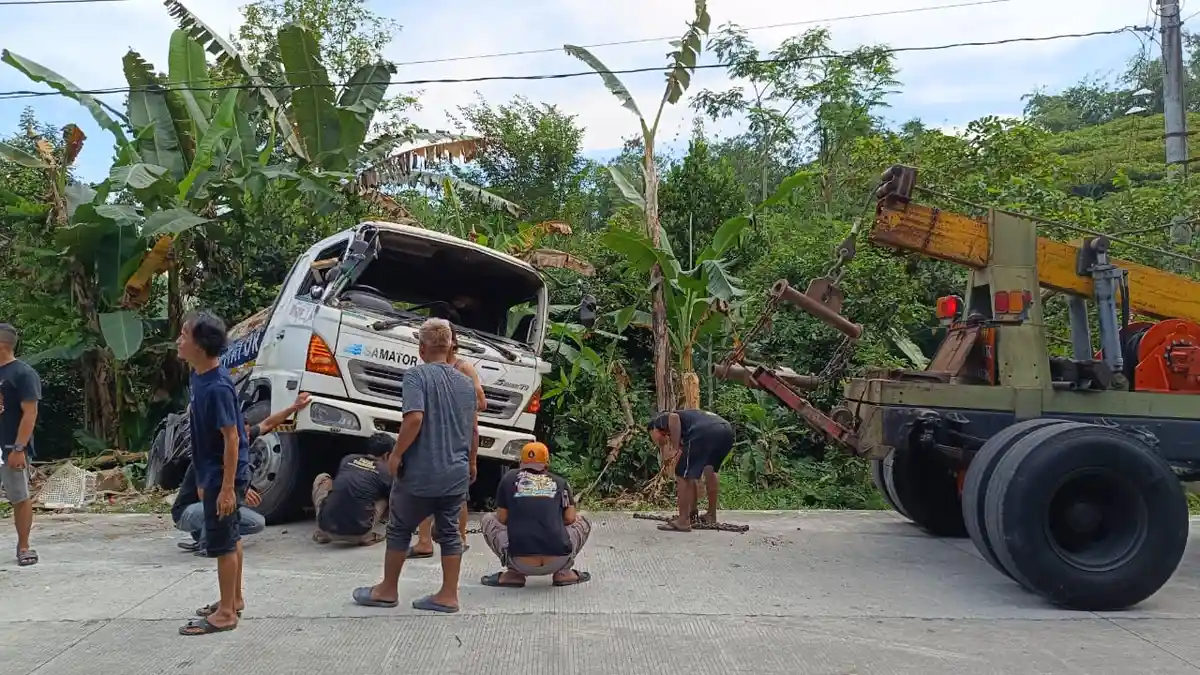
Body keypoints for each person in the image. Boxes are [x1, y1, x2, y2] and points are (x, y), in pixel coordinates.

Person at [352, 318, 479, 614]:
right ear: (450, 347)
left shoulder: (416, 376)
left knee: (399, 529)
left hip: (421, 473)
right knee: (450, 533)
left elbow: (414, 418)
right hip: (455, 472)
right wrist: (472, 461)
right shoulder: (466, 383)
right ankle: (448, 595)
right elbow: (473, 429)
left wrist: (396, 454)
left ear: (421, 348)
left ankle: (387, 590)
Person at [175, 311, 251, 636]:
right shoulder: (198, 376)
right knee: (230, 536)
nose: (178, 341)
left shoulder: (217, 387)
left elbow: (232, 438)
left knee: (222, 543)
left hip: (225, 473)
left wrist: (226, 488)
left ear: (200, 345)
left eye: (184, 335)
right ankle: (234, 599)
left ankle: (226, 614)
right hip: (213, 472)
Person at [172, 393, 312, 556]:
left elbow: (268, 423)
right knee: (222, 505)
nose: (245, 437)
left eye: (247, 433)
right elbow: (204, 494)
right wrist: (237, 491)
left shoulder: (244, 438)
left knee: (257, 523)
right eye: (240, 435)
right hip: (186, 512)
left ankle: (207, 536)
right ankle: (209, 543)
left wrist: (294, 407)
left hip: (206, 507)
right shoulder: (211, 452)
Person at [410, 325, 485, 558]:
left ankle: (460, 538)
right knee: (424, 488)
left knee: (457, 493)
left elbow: (481, 403)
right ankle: (424, 541)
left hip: (455, 436)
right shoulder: (426, 369)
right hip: (431, 435)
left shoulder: (463, 369)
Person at [479, 442, 591, 588]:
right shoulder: (560, 482)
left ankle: (514, 574)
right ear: (547, 463)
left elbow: (502, 518)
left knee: (488, 519)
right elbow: (570, 518)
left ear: (521, 462)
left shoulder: (508, 479)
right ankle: (563, 572)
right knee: (582, 519)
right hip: (558, 559)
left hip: (520, 562)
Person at [646, 409, 735, 533]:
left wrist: (675, 449)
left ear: (654, 430)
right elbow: (691, 476)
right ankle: (710, 515)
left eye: (653, 438)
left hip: (705, 432)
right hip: (726, 431)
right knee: (709, 469)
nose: (658, 442)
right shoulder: (687, 428)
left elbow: (673, 417)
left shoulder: (659, 421)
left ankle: (683, 521)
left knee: (681, 473)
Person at [0, 323, 41, 567]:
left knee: (19, 496)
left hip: (9, 447)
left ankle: (24, 546)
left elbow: (30, 413)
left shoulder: (23, 374)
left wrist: (18, 448)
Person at [311, 432, 393, 546]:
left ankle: (324, 532)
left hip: (326, 527)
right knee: (386, 497)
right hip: (358, 533)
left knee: (323, 478)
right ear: (387, 455)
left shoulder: (348, 459)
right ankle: (365, 535)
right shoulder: (386, 471)